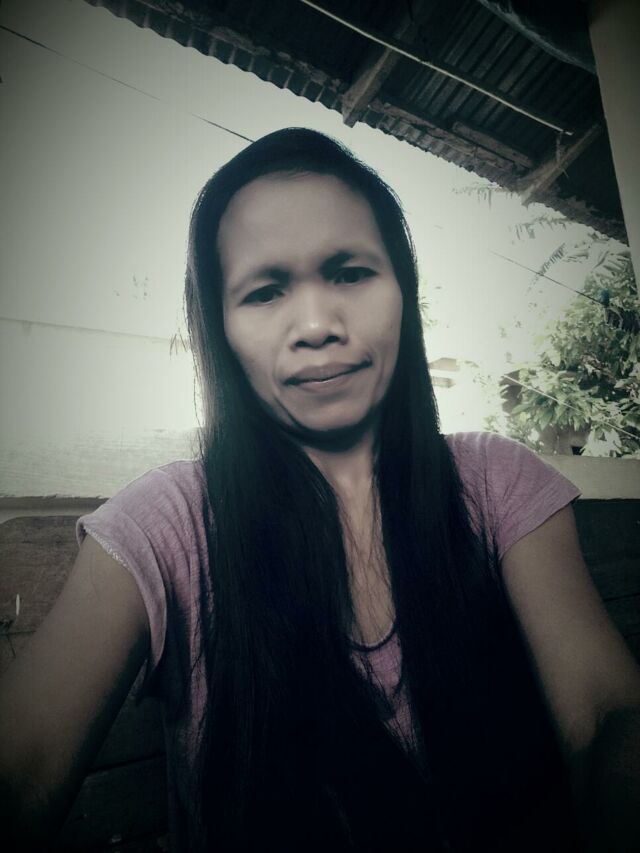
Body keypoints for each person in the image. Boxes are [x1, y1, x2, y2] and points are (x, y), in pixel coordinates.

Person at [1, 128, 640, 852]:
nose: (315, 325)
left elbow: (606, 714)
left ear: (403, 291)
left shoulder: (497, 480)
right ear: (220, 326)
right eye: (264, 291)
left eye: (350, 272)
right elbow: (23, 763)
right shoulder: (167, 521)